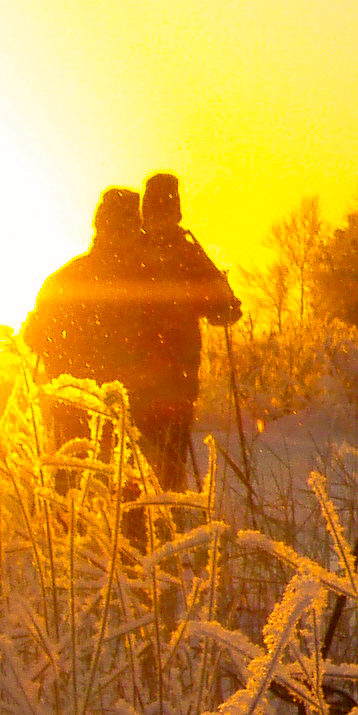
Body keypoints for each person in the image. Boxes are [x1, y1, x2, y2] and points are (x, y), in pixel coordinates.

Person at [130, 172, 243, 490]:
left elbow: (226, 309)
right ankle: (157, 520)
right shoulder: (187, 254)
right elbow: (226, 310)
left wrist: (223, 306)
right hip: (152, 379)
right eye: (156, 212)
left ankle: (161, 520)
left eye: (164, 212)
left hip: (169, 380)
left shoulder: (144, 253)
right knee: (152, 459)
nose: (161, 220)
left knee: (164, 458)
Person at [24, 186, 145, 452]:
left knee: (73, 482)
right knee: (134, 489)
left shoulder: (66, 278)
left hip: (77, 410)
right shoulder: (150, 282)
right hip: (130, 414)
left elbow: (34, 337)